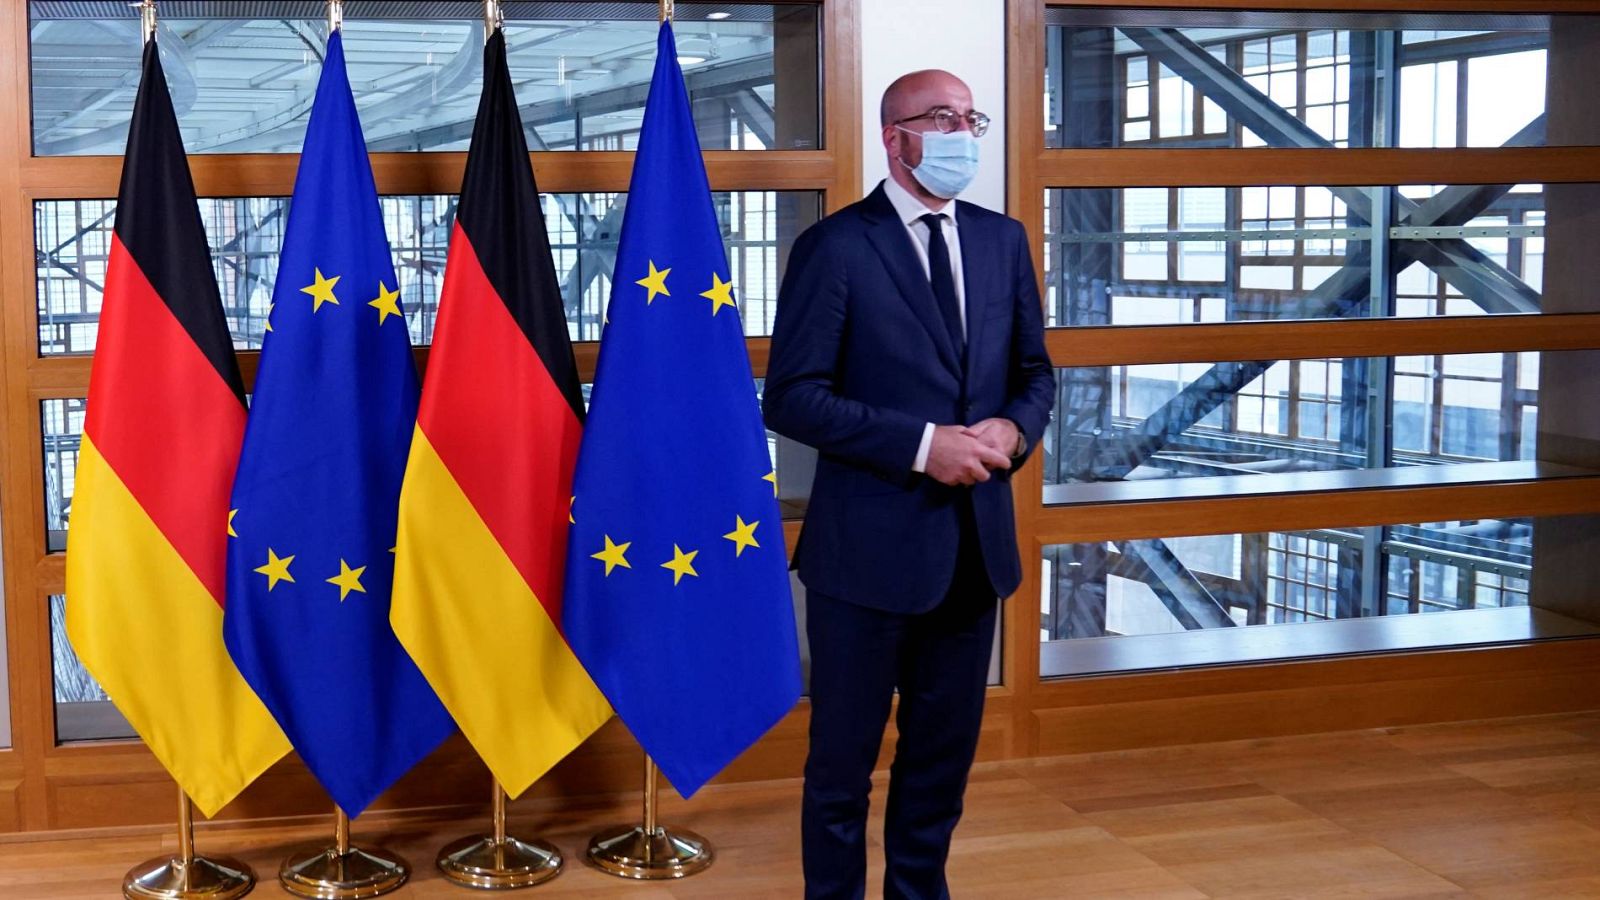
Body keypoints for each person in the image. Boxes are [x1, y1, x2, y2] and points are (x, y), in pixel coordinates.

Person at [763, 69, 1056, 899]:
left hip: (972, 554)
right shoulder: (837, 247)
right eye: (941, 116)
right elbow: (792, 398)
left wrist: (1013, 428)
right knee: (841, 773)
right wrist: (922, 446)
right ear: (894, 138)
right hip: (864, 561)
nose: (962, 131)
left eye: (971, 116)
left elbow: (1035, 374)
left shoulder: (1003, 241)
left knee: (938, 768)